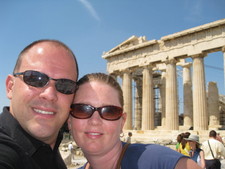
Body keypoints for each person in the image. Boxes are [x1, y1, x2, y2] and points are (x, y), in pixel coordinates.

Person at [68, 73, 201, 169]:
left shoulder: (159, 161)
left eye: (110, 111)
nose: (95, 121)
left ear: (122, 121)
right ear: (69, 121)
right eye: (82, 109)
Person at [0, 39, 79, 169]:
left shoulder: (50, 150)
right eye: (35, 78)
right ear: (10, 87)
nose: (50, 95)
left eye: (65, 85)